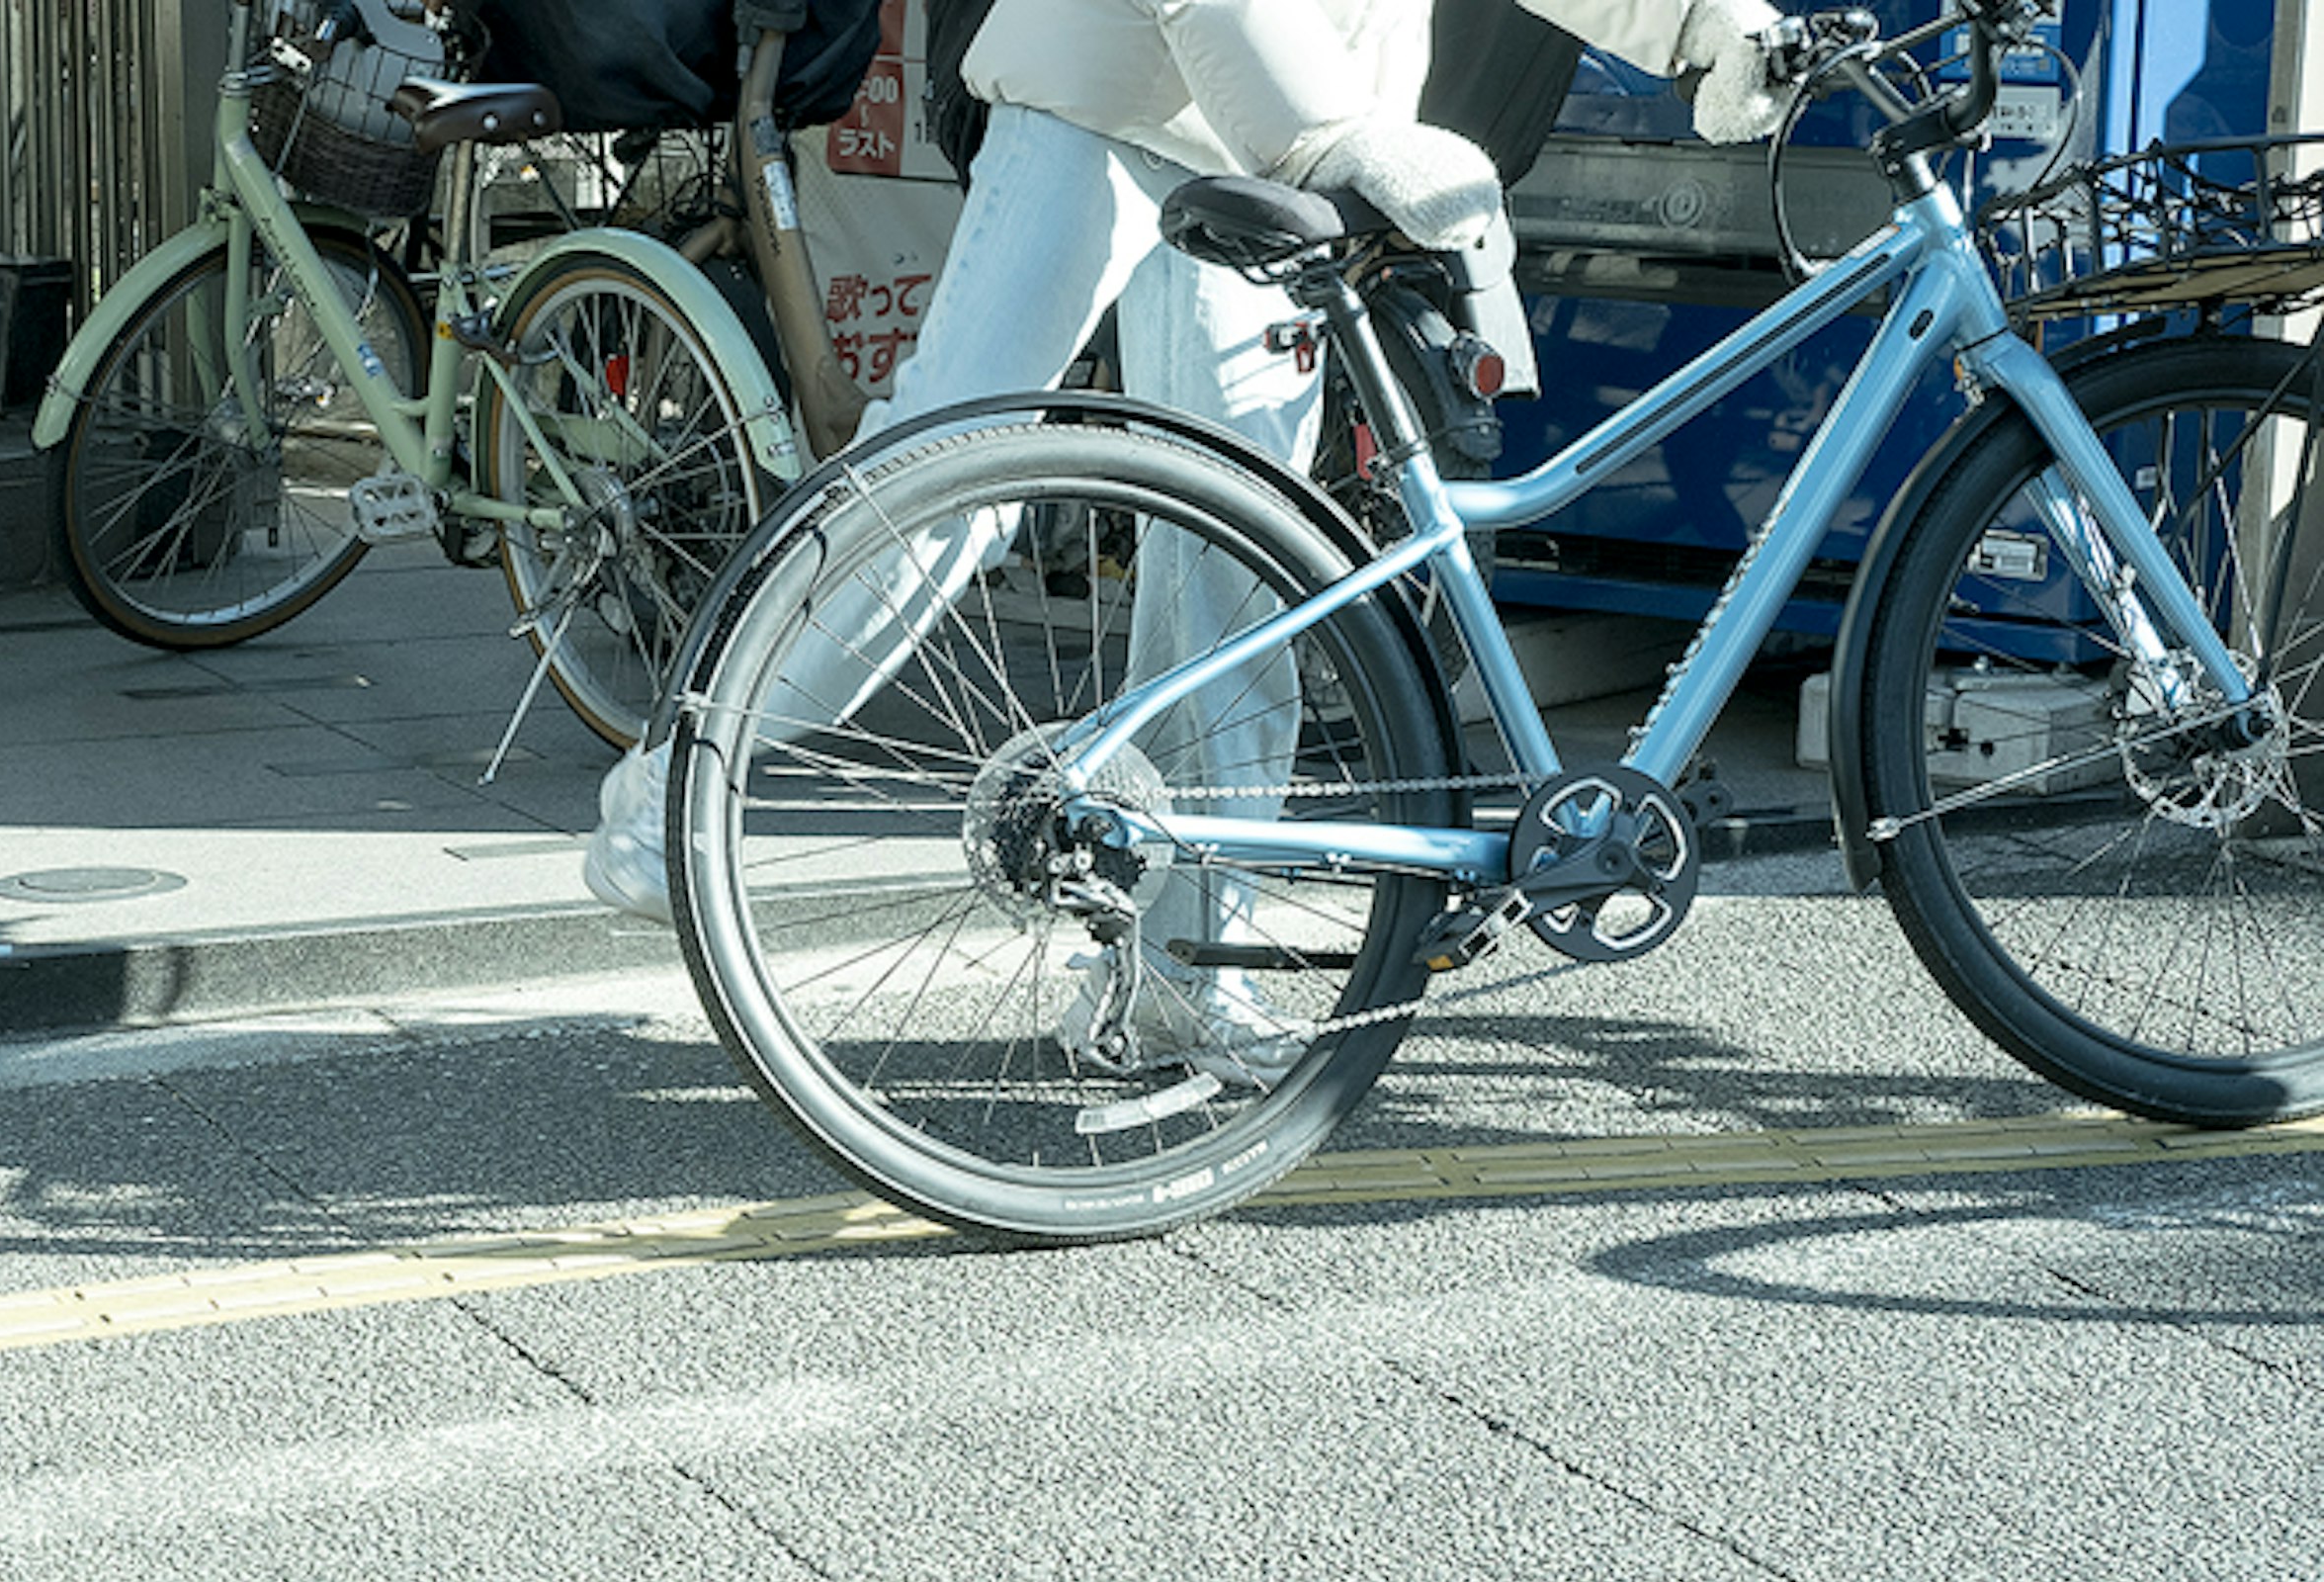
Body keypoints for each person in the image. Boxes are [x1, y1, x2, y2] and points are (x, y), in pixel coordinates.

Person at [581, 0, 1807, 925]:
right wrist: (1322, 134)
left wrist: (1712, 27)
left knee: (1244, 544)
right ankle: (680, 781)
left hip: (1273, 123)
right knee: (953, 470)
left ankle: (1187, 955)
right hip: (1109, 95)